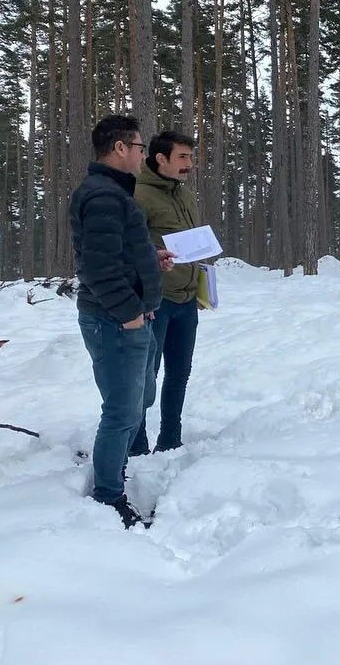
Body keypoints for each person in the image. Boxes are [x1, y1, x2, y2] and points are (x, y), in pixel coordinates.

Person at [70, 115, 173, 528]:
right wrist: (130, 314)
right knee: (122, 409)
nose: (142, 155)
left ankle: (113, 465)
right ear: (119, 148)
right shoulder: (104, 196)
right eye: (139, 147)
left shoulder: (113, 194)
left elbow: (118, 251)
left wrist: (150, 258)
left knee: (140, 398)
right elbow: (98, 269)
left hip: (130, 316)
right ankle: (108, 494)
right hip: (114, 321)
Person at [130, 131, 201, 456]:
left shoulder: (184, 194)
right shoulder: (138, 194)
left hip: (187, 299)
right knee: (147, 377)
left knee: (179, 374)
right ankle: (137, 442)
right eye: (182, 157)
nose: (189, 163)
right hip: (156, 301)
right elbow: (129, 247)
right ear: (161, 158)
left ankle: (171, 439)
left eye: (190, 157)